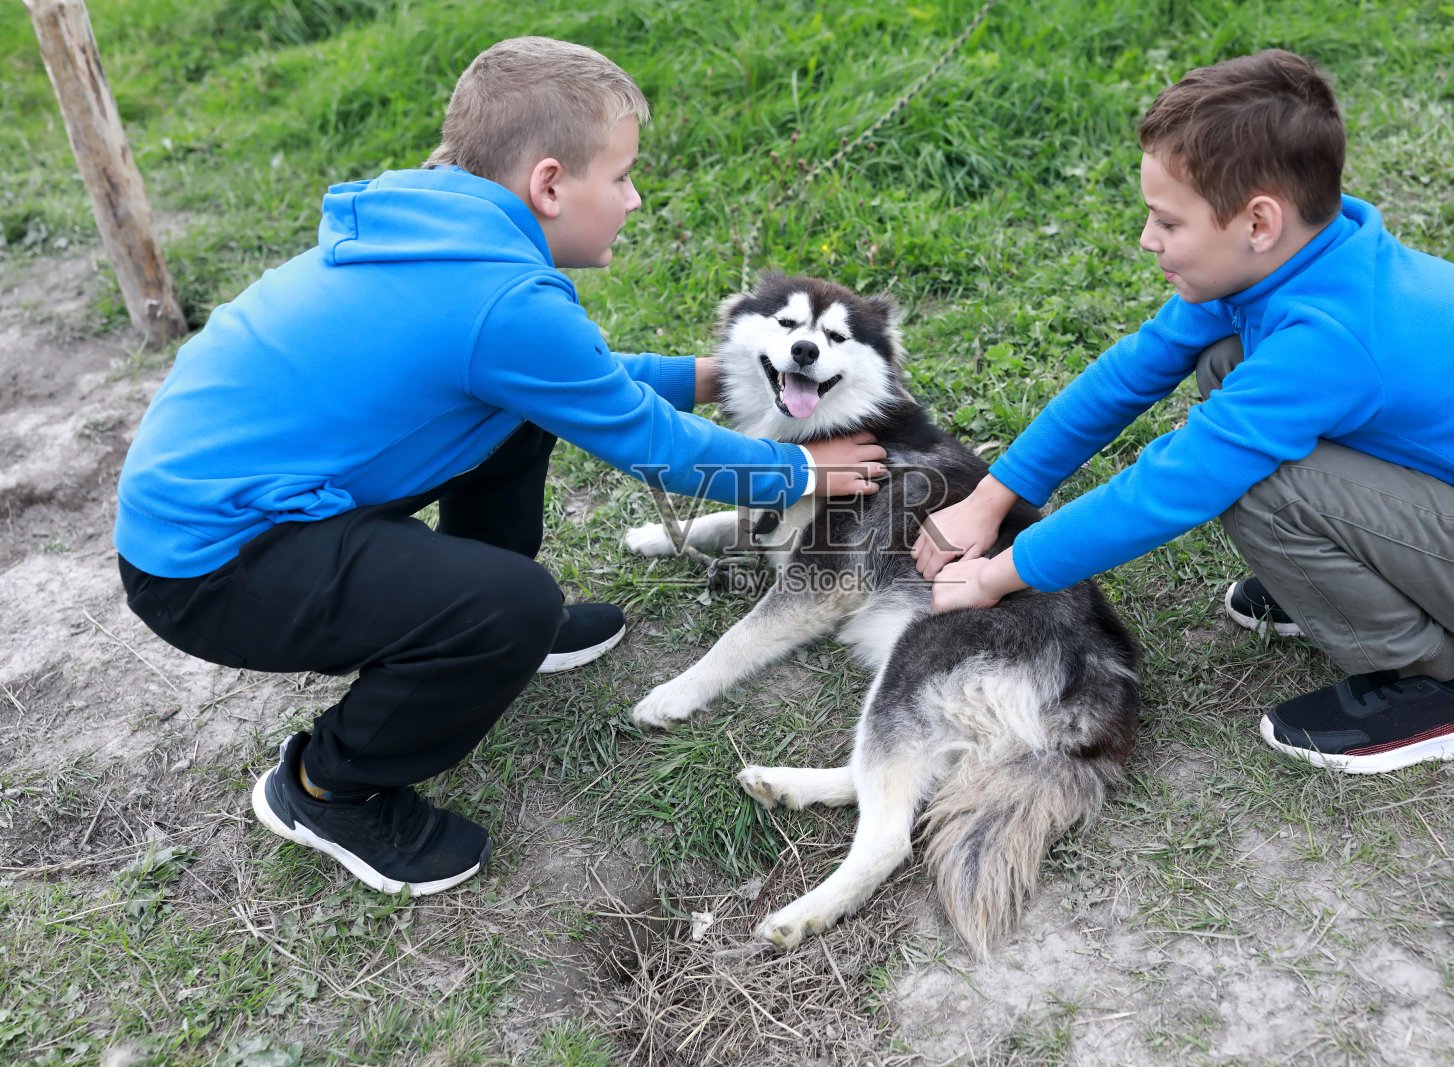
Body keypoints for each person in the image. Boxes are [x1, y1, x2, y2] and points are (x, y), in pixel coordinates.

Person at [114, 36, 886, 894]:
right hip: (212, 565)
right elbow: (660, 450)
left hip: (237, 501)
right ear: (550, 185)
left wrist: (709, 376)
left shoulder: (439, 232)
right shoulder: (503, 301)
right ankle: (328, 785)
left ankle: (486, 621)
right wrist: (804, 475)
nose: (635, 198)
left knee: (516, 423)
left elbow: (566, 378)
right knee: (505, 608)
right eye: (623, 175)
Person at [912, 49, 1454, 775]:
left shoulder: (1329, 338)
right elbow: (1128, 373)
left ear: (1258, 221)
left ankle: (1449, 685)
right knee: (1225, 363)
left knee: (1255, 477)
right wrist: (993, 499)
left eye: (1167, 221)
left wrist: (1001, 575)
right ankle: (1352, 585)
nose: (1148, 239)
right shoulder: (1304, 260)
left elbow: (1175, 483)